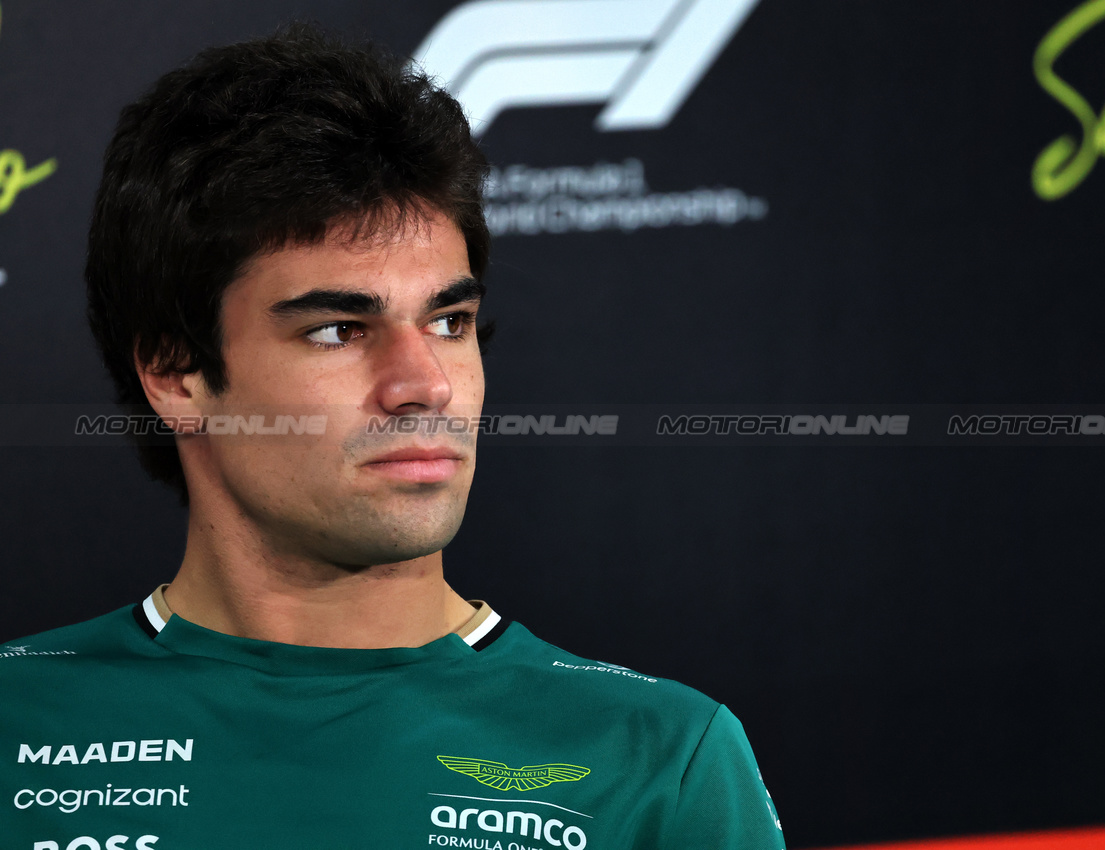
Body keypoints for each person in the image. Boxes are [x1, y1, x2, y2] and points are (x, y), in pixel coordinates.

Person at [0, 24, 785, 849]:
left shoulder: (659, 756)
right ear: (177, 374)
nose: (425, 386)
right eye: (339, 330)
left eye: (449, 321)